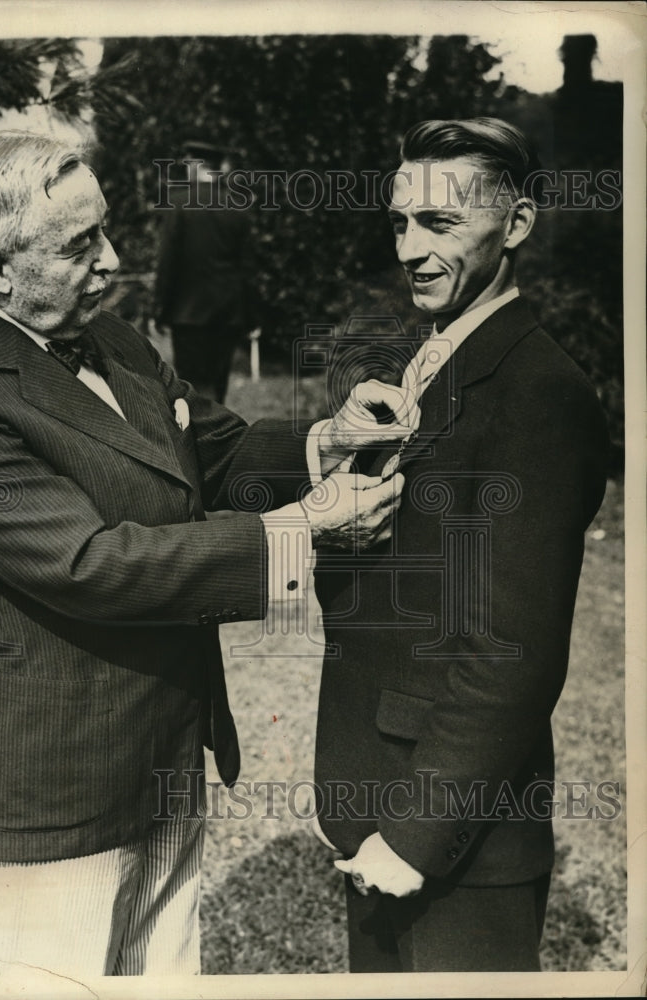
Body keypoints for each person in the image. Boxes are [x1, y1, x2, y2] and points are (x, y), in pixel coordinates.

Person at [0, 131, 414, 980]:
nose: (113, 261)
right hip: (57, 797)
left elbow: (216, 452)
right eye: (79, 246)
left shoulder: (114, 339)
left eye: (105, 231)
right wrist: (307, 531)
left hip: (165, 754)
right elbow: (92, 566)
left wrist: (331, 437)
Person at [311, 118, 609, 972]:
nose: (410, 247)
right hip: (376, 801)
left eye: (440, 224)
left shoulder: (542, 392)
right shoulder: (423, 356)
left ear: (516, 226)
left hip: (455, 842)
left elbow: (514, 652)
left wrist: (411, 839)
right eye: (400, 221)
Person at [153, 138, 258, 402]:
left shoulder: (177, 204)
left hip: (188, 314)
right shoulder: (239, 206)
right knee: (218, 385)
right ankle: (221, 436)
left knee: (191, 387)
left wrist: (160, 309)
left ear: (195, 166)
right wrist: (252, 316)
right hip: (228, 313)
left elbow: (168, 262)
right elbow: (248, 267)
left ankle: (198, 439)